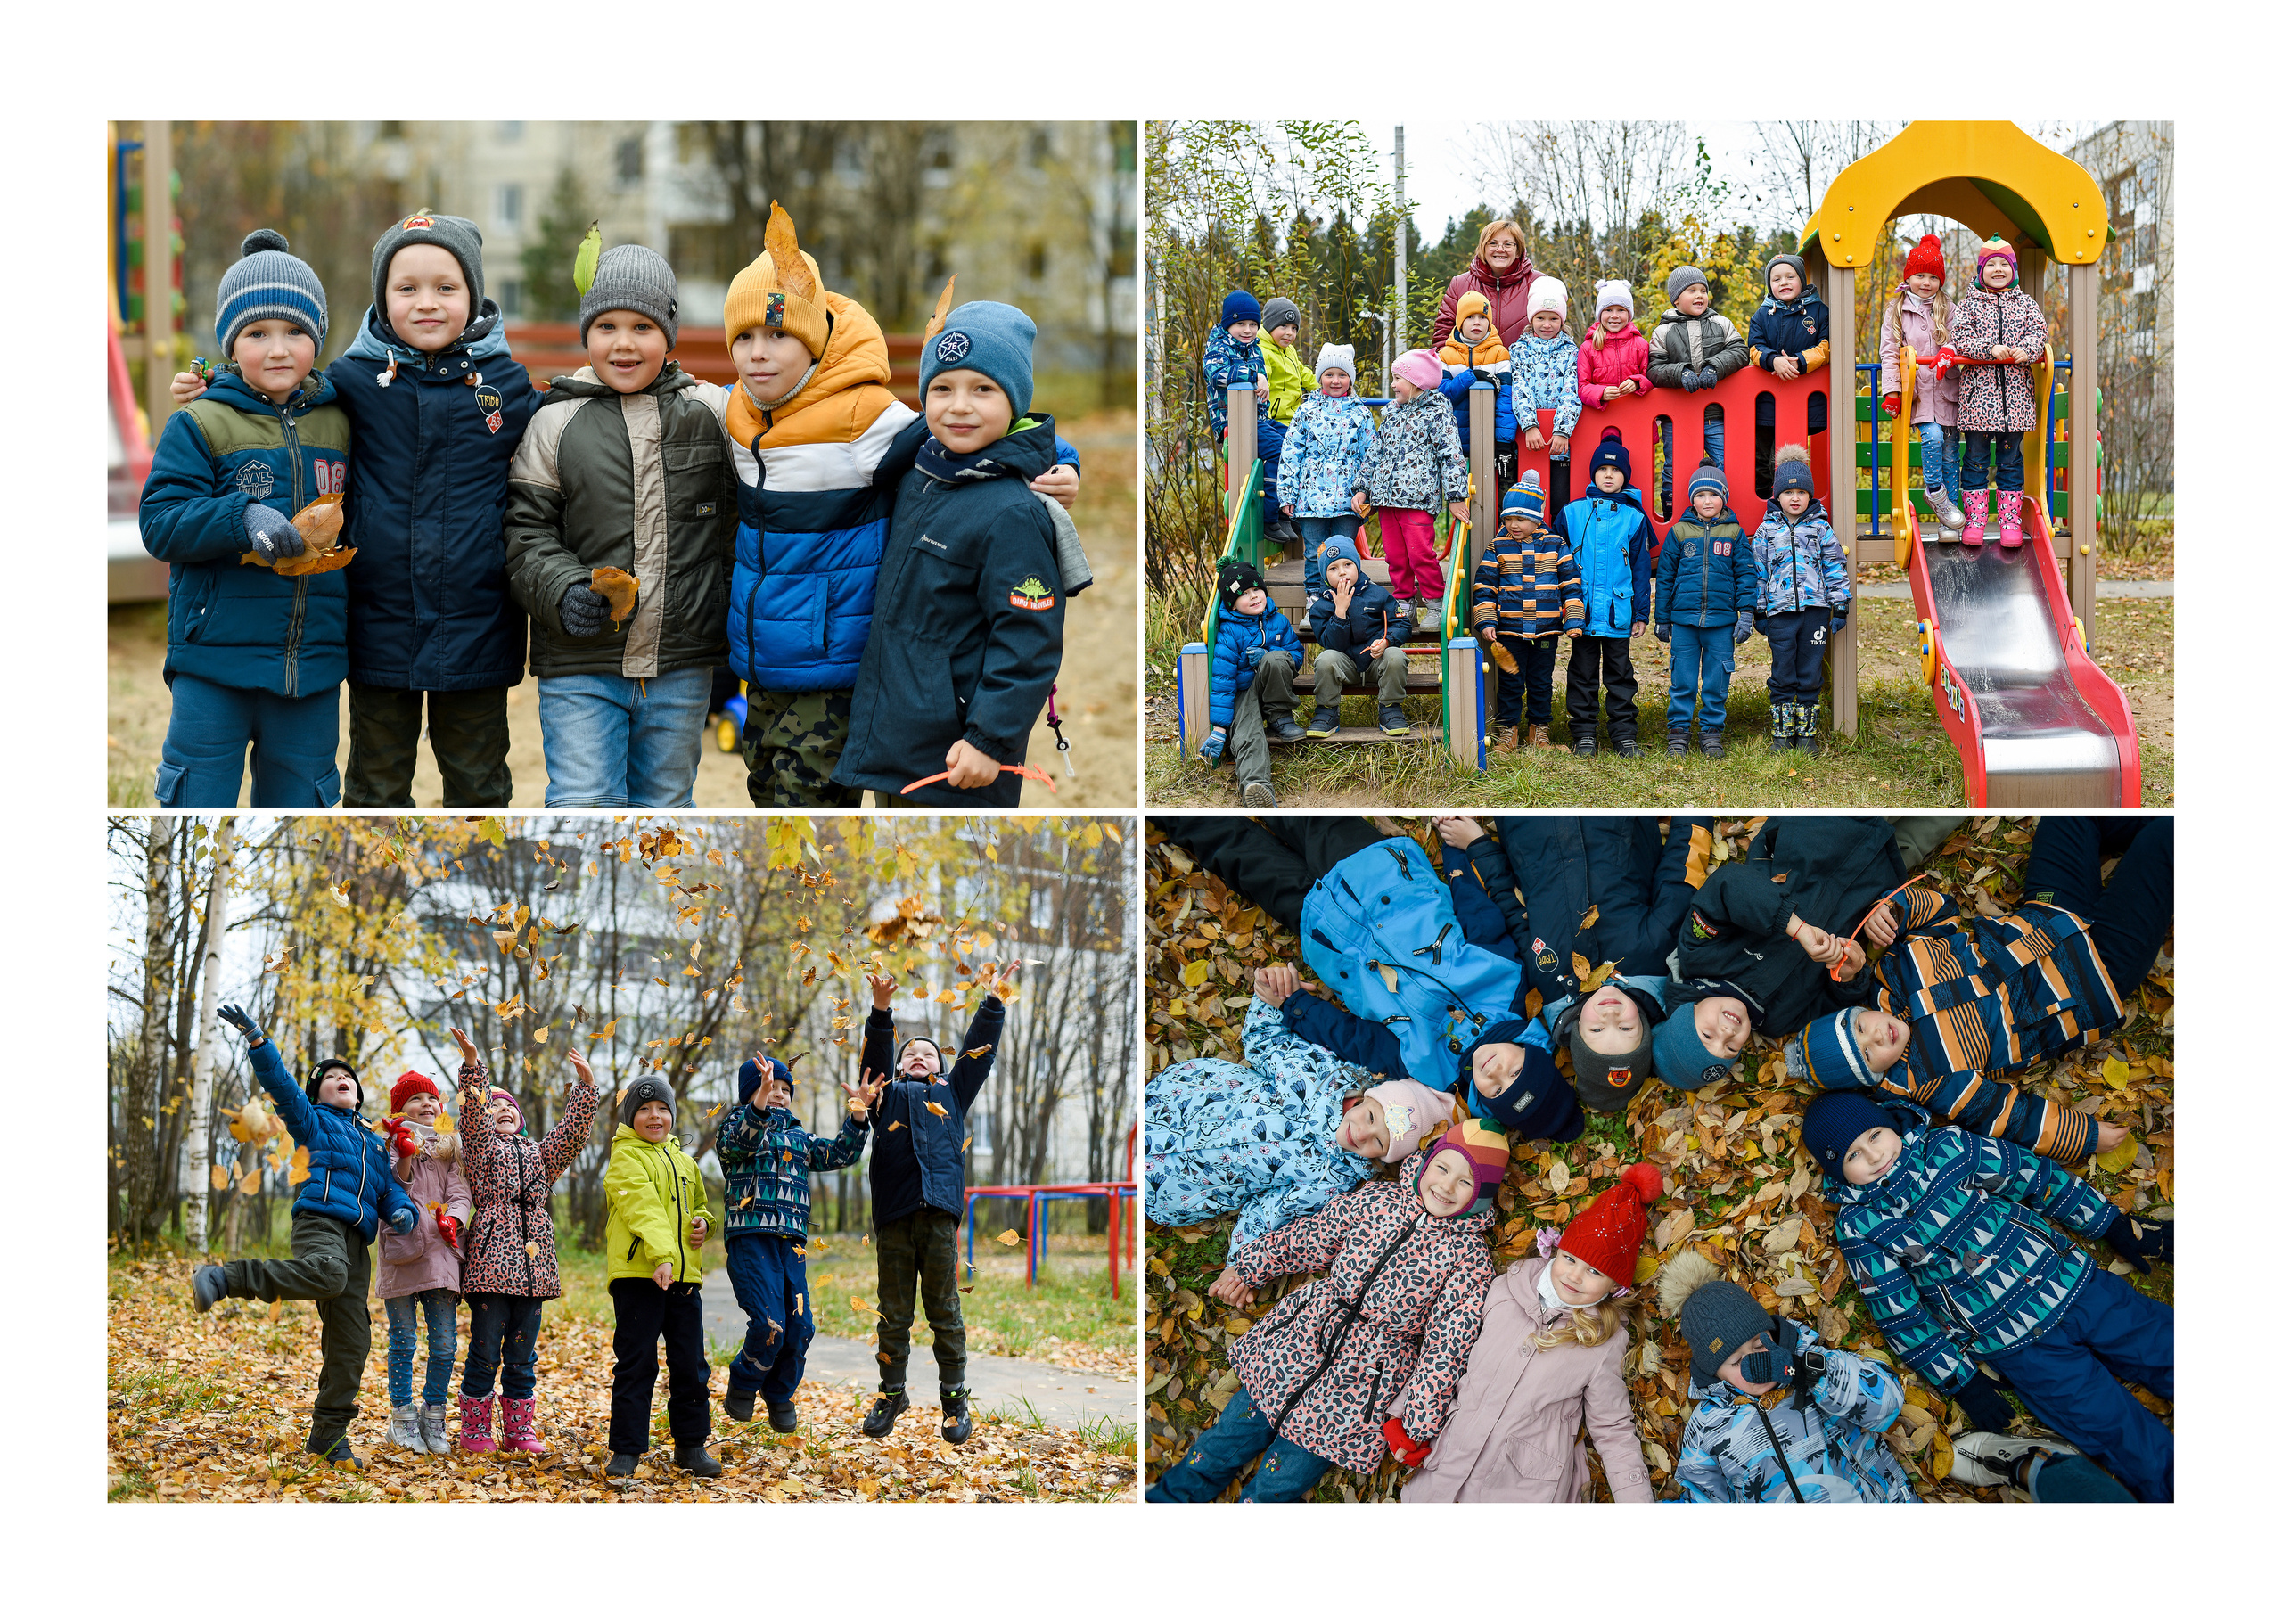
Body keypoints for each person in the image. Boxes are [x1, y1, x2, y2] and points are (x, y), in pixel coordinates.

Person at [715, 207, 1079, 807]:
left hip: (836, 661)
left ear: (814, 342)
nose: (760, 353)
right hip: (762, 658)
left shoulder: (864, 421)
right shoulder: (736, 414)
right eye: (745, 338)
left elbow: (993, 437)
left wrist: (1063, 466)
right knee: (770, 796)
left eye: (779, 335)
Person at [177, 212, 539, 805]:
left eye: (445, 288)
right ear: (382, 297)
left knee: (479, 789)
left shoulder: (504, 384)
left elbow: (555, 431)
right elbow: (282, 389)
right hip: (380, 625)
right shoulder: (353, 380)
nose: (427, 303)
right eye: (407, 288)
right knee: (375, 788)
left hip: (479, 622)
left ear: (473, 296)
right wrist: (214, 380)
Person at [1805, 1092, 2174, 1502]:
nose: (1874, 1156)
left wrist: (2108, 1223)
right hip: (2013, 1343)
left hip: (2070, 1281)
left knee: (2162, 1344)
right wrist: (1961, 1381)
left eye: (1875, 1135)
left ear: (1891, 1124)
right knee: (2114, 1427)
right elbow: (1900, 1313)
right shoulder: (1860, 1226)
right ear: (1839, 1173)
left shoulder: (1948, 1147)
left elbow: (2034, 1176)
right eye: (1854, 1155)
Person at [1149, 1120, 1506, 1502]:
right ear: (1425, 1163)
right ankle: (1169, 1500)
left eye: (1466, 1182)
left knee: (1279, 1483)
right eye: (1443, 1168)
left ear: (1481, 1196)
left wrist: (1416, 1422)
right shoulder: (1378, 1200)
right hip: (1301, 1340)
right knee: (1223, 1441)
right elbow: (1313, 1236)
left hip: (1364, 1381)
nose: (1447, 1186)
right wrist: (1253, 1265)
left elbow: (1448, 1346)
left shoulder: (1469, 1258)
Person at [1786, 816, 2170, 1165]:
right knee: (2162, 841)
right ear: (1873, 1078)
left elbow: (1941, 916)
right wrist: (2082, 1136)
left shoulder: (1896, 971)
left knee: (2072, 815)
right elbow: (2005, 1113)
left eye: (1859, 1028)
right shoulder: (1931, 1079)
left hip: (2046, 914)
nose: (1876, 1036)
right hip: (2096, 975)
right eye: (1869, 1055)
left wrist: (1893, 909)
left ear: (1857, 1013)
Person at [504, 246, 733, 807]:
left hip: (681, 662)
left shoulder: (712, 414)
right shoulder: (555, 422)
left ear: (669, 334)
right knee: (584, 801)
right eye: (606, 325)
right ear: (587, 333)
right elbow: (526, 533)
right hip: (582, 662)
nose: (623, 343)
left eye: (643, 326)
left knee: (665, 808)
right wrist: (560, 590)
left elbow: (738, 521)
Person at [141, 230, 351, 808]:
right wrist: (244, 516)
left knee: (300, 811)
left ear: (318, 338)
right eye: (258, 333)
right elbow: (161, 521)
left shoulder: (341, 422)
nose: (278, 349)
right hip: (215, 662)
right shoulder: (200, 423)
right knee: (196, 802)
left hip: (311, 665)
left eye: (296, 332)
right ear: (231, 345)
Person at [833, 302, 1067, 808]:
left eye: (983, 389)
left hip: (961, 755)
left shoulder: (1012, 512)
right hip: (899, 738)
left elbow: (1028, 639)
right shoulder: (916, 476)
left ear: (1015, 403)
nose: (959, 406)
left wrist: (989, 739)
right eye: (942, 389)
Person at [192, 1007, 418, 1467]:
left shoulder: (376, 1142)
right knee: (329, 1274)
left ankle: (328, 1438)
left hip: (359, 1242)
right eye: (330, 1077)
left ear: (357, 1093)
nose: (341, 1080)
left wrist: (402, 1208)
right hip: (319, 1223)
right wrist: (259, 1042)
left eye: (347, 1077)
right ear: (318, 1091)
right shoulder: (312, 1121)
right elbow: (283, 1089)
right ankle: (226, 1278)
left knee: (352, 1342)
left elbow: (391, 1186)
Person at [1431, 815, 1735, 1118]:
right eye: (1626, 1027)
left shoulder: (1547, 982)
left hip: (1529, 833)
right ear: (1645, 1026)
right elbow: (1680, 876)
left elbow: (1509, 908)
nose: (1610, 1013)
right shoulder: (1653, 954)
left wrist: (1477, 846)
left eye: (1597, 1028)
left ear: (1576, 1030)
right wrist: (1694, 817)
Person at [1400, 1165, 1662, 1501]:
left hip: (1521, 1485)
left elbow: (1611, 1428)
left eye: (1594, 1271)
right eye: (1570, 1259)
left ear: (1615, 1285)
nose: (1575, 1277)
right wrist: (1401, 1410)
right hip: (1448, 1459)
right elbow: (1446, 1352)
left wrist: (1636, 1501)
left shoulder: (1601, 1342)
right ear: (1557, 1251)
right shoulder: (1505, 1291)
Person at [1145, 985, 1457, 1249]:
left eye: (1379, 1142)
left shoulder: (1333, 1180)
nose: (1361, 1134)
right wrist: (1272, 996)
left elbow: (1270, 1214)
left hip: (1179, 1185)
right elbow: (1268, 1043)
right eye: (1372, 1118)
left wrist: (1240, 1264)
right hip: (1178, 1103)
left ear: (1385, 1159)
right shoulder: (1318, 1077)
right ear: (1366, 1098)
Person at [857, 966, 1011, 1442]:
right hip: (895, 1219)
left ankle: (954, 1398)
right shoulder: (885, 1096)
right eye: (912, 1054)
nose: (920, 1057)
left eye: (929, 1054)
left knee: (944, 1309)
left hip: (940, 1218)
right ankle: (891, 1391)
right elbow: (876, 1059)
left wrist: (992, 1005)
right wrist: (881, 1012)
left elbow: (977, 1054)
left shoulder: (954, 1093)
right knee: (893, 1310)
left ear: (941, 1068)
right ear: (900, 1067)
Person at [1660, 1247, 1917, 1502]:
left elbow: (1887, 1402)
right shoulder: (1707, 1425)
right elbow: (1704, 1497)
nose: (1756, 1361)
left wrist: (1803, 1371)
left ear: (1772, 1333)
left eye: (1760, 1345)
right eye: (1737, 1361)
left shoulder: (1814, 1361)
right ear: (1714, 1373)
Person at [446, 1026, 598, 1456]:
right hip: (492, 1268)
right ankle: (475, 1431)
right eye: (494, 1107)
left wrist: (585, 1090)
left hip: (534, 1274)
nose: (500, 1111)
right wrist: (474, 1069)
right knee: (483, 1352)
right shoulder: (480, 1151)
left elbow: (570, 1137)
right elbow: (473, 1118)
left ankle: (518, 1430)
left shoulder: (539, 1156)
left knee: (522, 1356)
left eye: (508, 1107)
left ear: (521, 1118)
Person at [715, 1053, 873, 1434]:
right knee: (771, 1324)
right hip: (752, 1240)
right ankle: (744, 1382)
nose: (779, 1095)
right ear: (751, 1093)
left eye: (785, 1089)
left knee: (800, 1326)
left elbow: (840, 1154)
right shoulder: (737, 1125)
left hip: (792, 1247)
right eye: (770, 1088)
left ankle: (780, 1393)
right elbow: (742, 1141)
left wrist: (857, 1114)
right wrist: (759, 1104)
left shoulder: (799, 1137)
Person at [1672, 815, 1909, 1040]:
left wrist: (1796, 927)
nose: (1726, 1033)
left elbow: (1729, 885)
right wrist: (1849, 976)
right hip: (1883, 874)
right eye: (1731, 1048)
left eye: (1707, 1035)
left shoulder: (1697, 956)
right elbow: (1833, 1004)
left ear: (1688, 1013)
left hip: (1823, 834)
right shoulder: (1777, 1021)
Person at [603, 1075, 719, 1479]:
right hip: (640, 1275)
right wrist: (663, 1255)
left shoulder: (685, 1162)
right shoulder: (625, 1158)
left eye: (662, 1109)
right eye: (644, 1109)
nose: (655, 1116)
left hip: (684, 1278)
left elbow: (701, 1205)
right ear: (630, 1116)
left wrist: (705, 1222)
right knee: (637, 1362)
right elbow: (642, 1208)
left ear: (672, 1114)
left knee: (690, 1363)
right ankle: (626, 1449)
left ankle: (691, 1446)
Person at [375, 1070, 469, 1456]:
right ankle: (402, 1419)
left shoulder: (452, 1146)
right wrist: (406, 1156)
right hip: (402, 1254)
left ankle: (433, 1417)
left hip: (443, 1255)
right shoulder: (389, 1144)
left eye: (432, 1099)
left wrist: (456, 1219)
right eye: (416, 1100)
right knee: (403, 1341)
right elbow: (394, 1189)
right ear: (400, 1107)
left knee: (445, 1344)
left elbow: (460, 1192)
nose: (426, 1105)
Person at [1550, 431, 1654, 758]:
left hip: (1617, 612)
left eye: (1616, 471)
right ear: (1593, 473)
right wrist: (1561, 606)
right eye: (1603, 470)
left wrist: (1640, 613)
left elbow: (1640, 571)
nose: (1609, 476)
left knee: (1620, 674)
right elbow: (1556, 562)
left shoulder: (1634, 519)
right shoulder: (1571, 514)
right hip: (1580, 612)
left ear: (1625, 476)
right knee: (1581, 672)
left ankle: (1624, 735)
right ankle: (1583, 733)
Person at [1948, 237, 2050, 546]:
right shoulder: (1969, 305)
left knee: (2011, 461)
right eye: (1990, 264)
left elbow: (2039, 332)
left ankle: (2010, 521)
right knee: (1976, 459)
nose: (1997, 269)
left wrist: (2028, 350)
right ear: (1981, 271)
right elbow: (1961, 340)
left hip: (2016, 401)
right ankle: (1976, 520)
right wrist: (1990, 349)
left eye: (2003, 263)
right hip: (1980, 398)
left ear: (2013, 270)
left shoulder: (2026, 304)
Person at [1654, 459, 1759, 759]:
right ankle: (1678, 731)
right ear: (1692, 499)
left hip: (1721, 622)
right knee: (1682, 679)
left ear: (1723, 497)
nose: (1707, 501)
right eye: (1700, 495)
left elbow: (1746, 575)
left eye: (1713, 494)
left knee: (1717, 679)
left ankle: (1712, 731)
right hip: (1684, 621)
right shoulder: (1679, 532)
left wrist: (1746, 614)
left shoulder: (1735, 533)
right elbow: (1665, 577)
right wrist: (1662, 618)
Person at [1471, 472, 1581, 751]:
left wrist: (1574, 617)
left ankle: (1539, 732)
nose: (1513, 525)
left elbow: (1570, 584)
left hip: (1546, 630)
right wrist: (1486, 619)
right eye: (1508, 519)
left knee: (1541, 682)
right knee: (1510, 682)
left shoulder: (1555, 545)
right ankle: (1509, 732)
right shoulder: (1498, 546)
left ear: (1536, 518)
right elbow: (1484, 586)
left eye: (1520, 519)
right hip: (1510, 629)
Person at [1355, 349, 1468, 622]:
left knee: (1420, 554)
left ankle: (1433, 602)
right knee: (1395, 556)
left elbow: (1451, 457)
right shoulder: (1392, 413)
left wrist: (1455, 496)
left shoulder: (1438, 414)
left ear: (1417, 383)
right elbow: (1374, 454)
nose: (1393, 384)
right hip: (1385, 500)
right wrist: (1363, 488)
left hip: (1417, 500)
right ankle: (1404, 601)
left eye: (1398, 379)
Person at [1750, 444, 1849, 755]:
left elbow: (1834, 565)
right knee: (1783, 670)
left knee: (1809, 670)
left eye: (1801, 492)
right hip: (1780, 612)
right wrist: (1760, 609)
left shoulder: (1821, 528)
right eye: (1788, 492)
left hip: (1815, 611)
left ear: (1810, 496)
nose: (1795, 498)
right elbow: (1759, 572)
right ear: (1777, 496)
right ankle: (1782, 732)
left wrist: (1840, 603)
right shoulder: (1765, 531)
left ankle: (1806, 733)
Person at [1877, 234, 1966, 539]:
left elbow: (1960, 340)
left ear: (1940, 280)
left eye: (1932, 277)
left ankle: (1949, 522)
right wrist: (1892, 390)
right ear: (1909, 277)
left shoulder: (1948, 308)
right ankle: (1934, 493)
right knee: (1932, 439)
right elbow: (1889, 352)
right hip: (1918, 394)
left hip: (1947, 392)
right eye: (1919, 276)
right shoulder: (1897, 309)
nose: (1925, 282)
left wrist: (1950, 351)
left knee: (1952, 453)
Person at [1199, 559, 1305, 806]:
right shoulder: (1229, 633)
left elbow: (1297, 656)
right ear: (1232, 605)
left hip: (1273, 688)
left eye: (1257, 589)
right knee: (1247, 734)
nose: (1254, 596)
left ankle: (1280, 716)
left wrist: (1268, 654)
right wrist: (1219, 730)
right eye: (1244, 594)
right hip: (1245, 692)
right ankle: (1256, 786)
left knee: (1276, 660)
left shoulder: (1278, 621)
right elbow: (1223, 682)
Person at [1276, 344, 1375, 595]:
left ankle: (1346, 598)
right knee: (1314, 551)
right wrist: (1287, 494)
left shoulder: (1361, 414)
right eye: (1329, 374)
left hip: (1348, 498)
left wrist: (1366, 491)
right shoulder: (1306, 411)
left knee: (1345, 551)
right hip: (1310, 497)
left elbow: (1371, 456)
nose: (1335, 381)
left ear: (1350, 379)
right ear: (1320, 376)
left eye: (1342, 375)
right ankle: (1315, 599)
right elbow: (1291, 453)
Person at [1646, 266, 1747, 512]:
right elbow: (1654, 369)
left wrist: (1716, 366)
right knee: (1675, 466)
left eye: (1703, 290)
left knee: (1724, 462)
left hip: (1715, 415)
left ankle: (1723, 512)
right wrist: (1681, 372)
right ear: (1676, 298)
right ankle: (1672, 511)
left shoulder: (1721, 324)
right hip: (1678, 417)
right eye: (1691, 290)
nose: (1699, 295)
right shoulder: (1663, 331)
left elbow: (1740, 352)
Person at [1303, 537, 1415, 739]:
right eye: (1333, 569)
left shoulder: (1378, 594)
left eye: (1348, 564)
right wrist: (1340, 611)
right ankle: (1327, 711)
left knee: (1395, 656)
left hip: (1376, 662)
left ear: (1357, 566)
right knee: (1325, 659)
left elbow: (1403, 624)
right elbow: (1330, 644)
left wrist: (1386, 641)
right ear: (1324, 576)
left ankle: (1390, 708)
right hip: (1345, 665)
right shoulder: (1320, 607)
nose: (1342, 572)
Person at [1747, 253, 1832, 499]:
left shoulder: (1819, 311)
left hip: (1810, 402)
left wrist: (1801, 361)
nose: (1783, 282)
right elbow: (1754, 347)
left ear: (1802, 280)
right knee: (1763, 456)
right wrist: (1773, 360)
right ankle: (1765, 500)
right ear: (1769, 285)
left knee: (1798, 452)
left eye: (1790, 276)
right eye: (1776, 279)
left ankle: (1801, 500)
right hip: (1767, 404)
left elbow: (1827, 345)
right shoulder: (1762, 314)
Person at [1203, 290, 1283, 540]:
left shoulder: (1255, 348)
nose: (1247, 330)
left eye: (1252, 324)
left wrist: (1262, 383)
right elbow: (1216, 375)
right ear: (1228, 324)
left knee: (1293, 442)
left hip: (1256, 419)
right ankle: (1271, 516)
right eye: (1240, 324)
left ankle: (1288, 510)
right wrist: (1253, 377)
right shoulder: (1219, 346)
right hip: (1233, 421)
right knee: (1276, 448)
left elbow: (1260, 383)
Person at [1509, 278, 1581, 512]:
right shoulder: (1519, 350)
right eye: (1540, 318)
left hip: (1560, 441)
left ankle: (1560, 542)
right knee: (1530, 498)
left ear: (1562, 320)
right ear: (1531, 319)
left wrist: (1562, 430)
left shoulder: (1571, 351)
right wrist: (1529, 425)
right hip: (1531, 438)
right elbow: (1519, 389)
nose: (1547, 325)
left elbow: (1572, 391)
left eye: (1554, 318)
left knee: (1560, 500)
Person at [1437, 291, 1517, 486]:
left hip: (1489, 438)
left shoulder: (1499, 353)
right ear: (1459, 323)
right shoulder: (1446, 354)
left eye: (1482, 317)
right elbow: (1442, 395)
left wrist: (1503, 442)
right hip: (1454, 439)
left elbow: (1506, 398)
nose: (1477, 322)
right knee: (1459, 495)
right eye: (1470, 317)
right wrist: (1472, 377)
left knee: (1489, 490)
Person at [1430, 219, 1540, 348]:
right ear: (1483, 248)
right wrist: (1457, 366)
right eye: (1493, 244)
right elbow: (1443, 336)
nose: (1500, 249)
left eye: (1508, 244)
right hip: (1470, 367)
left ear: (1518, 250)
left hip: (1526, 367)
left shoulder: (1539, 283)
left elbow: (1557, 333)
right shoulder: (1460, 284)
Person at [1575, 281, 1653, 429]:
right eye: (1608, 310)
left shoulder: (1641, 345)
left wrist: (1637, 383)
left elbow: (1652, 377)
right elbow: (1582, 387)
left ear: (1629, 314)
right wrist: (1600, 393)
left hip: (1637, 420)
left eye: (1621, 310)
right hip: (1602, 422)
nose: (1615, 316)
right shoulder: (1588, 348)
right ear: (1600, 314)